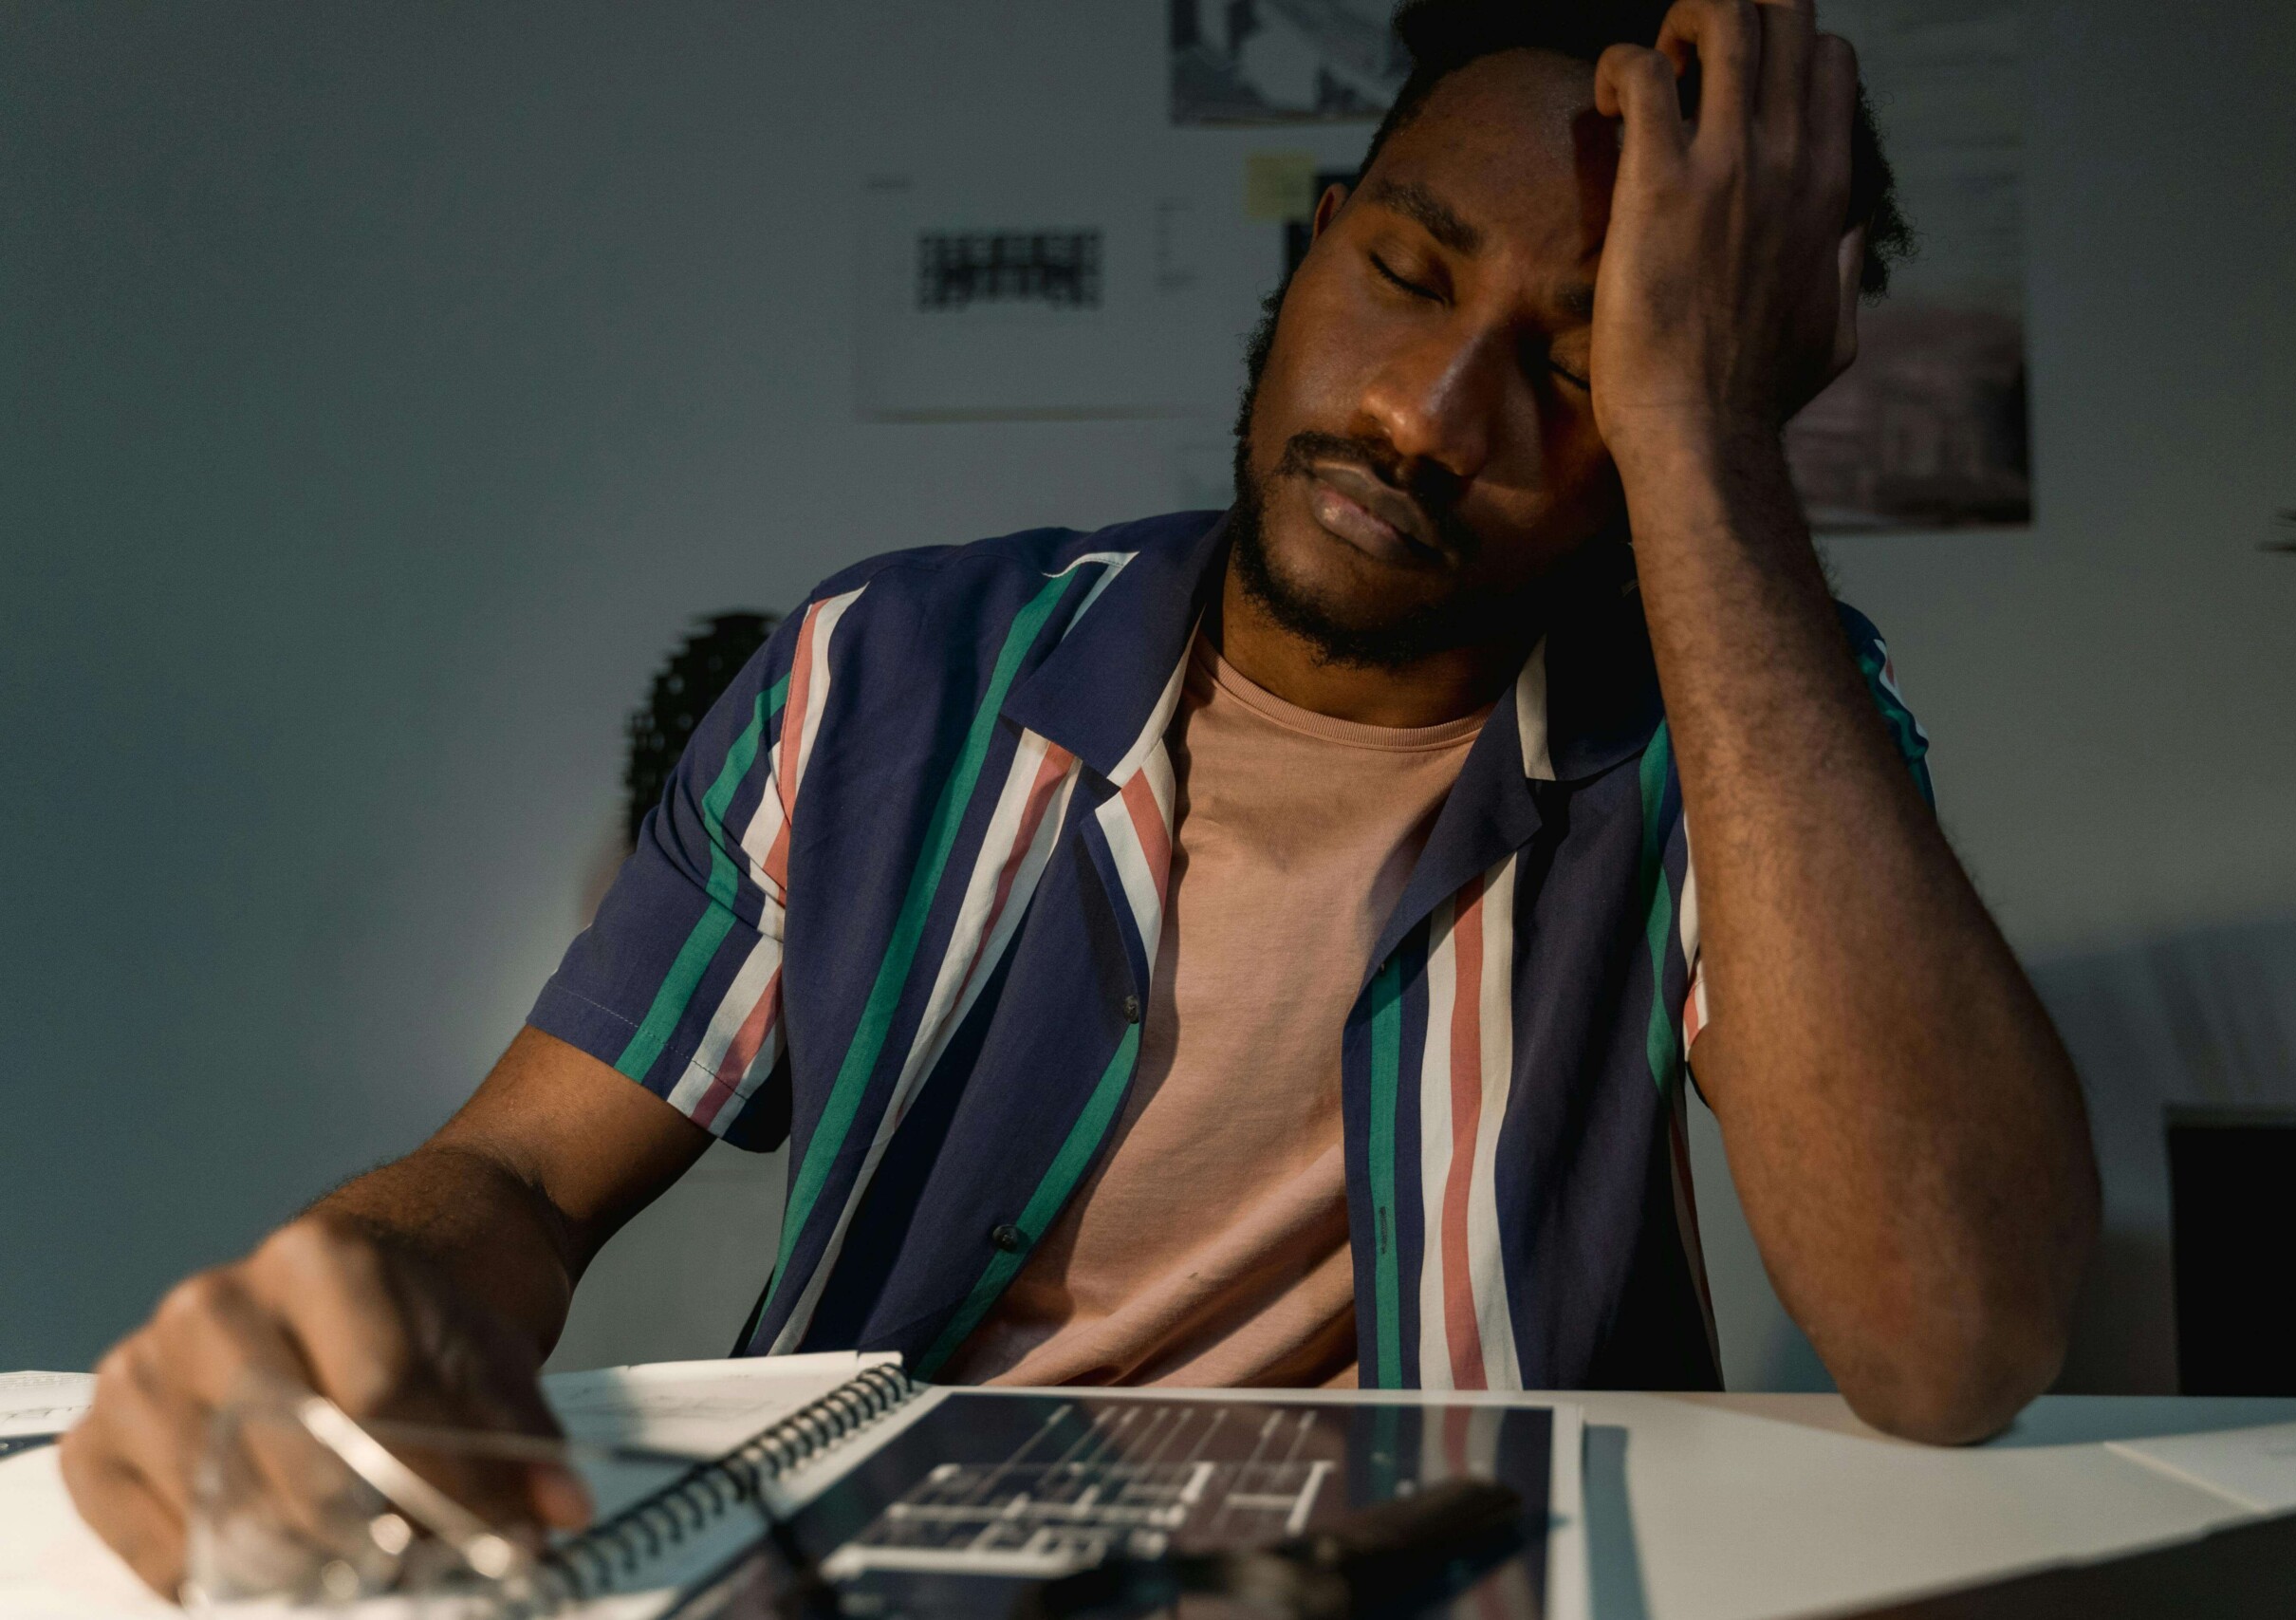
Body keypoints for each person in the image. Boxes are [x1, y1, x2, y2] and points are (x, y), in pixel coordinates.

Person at [65, 0, 2101, 1592]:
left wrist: (1709, 456)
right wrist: (346, 1310)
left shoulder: (1729, 734)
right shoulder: (881, 672)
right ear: (1308, 255)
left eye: (1577, 368)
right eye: (1401, 273)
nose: (1421, 414)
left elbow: (1953, 1336)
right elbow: (515, 1177)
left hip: (1455, 1577)